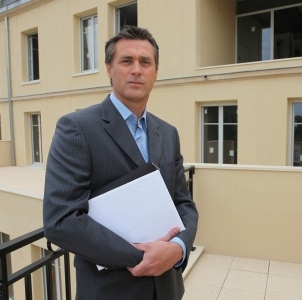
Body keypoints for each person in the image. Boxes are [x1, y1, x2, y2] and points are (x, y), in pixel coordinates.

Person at [43, 26, 198, 300]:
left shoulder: (168, 133)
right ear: (109, 69)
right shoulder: (77, 128)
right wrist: (147, 256)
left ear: (156, 72)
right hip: (109, 290)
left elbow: (183, 203)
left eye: (145, 62)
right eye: (126, 61)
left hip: (167, 289)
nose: (136, 69)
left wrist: (178, 249)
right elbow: (62, 220)